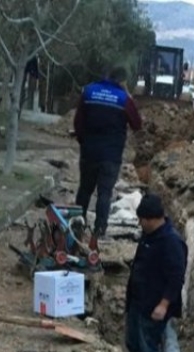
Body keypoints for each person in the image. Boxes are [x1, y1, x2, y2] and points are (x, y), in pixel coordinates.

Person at [125, 193, 188, 352]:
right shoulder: (149, 235)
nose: (140, 224)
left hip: (153, 307)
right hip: (137, 302)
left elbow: (176, 277)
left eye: (142, 220)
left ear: (151, 218)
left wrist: (163, 304)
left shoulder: (171, 242)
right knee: (133, 342)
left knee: (148, 347)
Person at [73, 66, 142, 239]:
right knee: (105, 193)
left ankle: (76, 226)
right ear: (123, 81)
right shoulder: (123, 99)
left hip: (89, 152)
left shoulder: (88, 92)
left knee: (85, 190)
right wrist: (128, 95)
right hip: (111, 156)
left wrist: (84, 141)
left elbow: (78, 122)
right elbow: (137, 124)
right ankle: (99, 231)